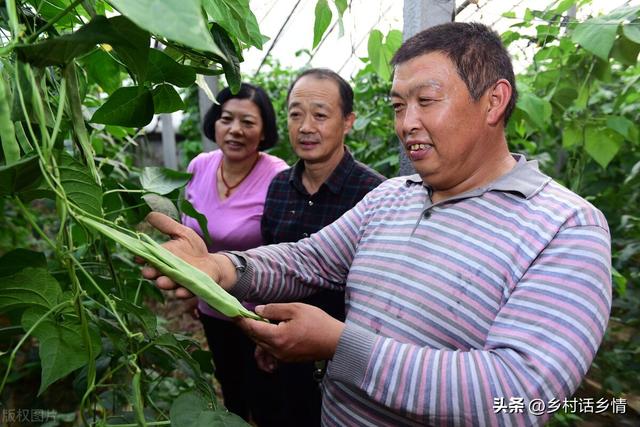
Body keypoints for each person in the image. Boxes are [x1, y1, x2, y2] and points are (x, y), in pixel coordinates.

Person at [144, 23, 612, 426]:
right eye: (397, 105)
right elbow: (305, 260)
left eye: (426, 101)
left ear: (493, 102)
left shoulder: (566, 228)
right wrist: (222, 269)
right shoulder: (391, 196)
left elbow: (518, 397)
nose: (407, 123)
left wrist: (338, 344)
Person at [256, 68, 386, 426]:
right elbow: (273, 264)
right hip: (286, 351)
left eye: (320, 114)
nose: (306, 126)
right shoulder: (279, 186)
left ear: (348, 122)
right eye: (296, 113)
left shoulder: (375, 194)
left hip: (347, 362)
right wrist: (265, 334)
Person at [181, 83, 287, 422]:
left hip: (257, 316)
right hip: (211, 308)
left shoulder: (278, 176)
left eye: (248, 122)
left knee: (265, 399)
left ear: (264, 130)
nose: (235, 130)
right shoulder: (200, 165)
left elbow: (286, 251)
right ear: (215, 122)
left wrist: (271, 323)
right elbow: (188, 230)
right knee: (230, 390)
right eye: (226, 119)